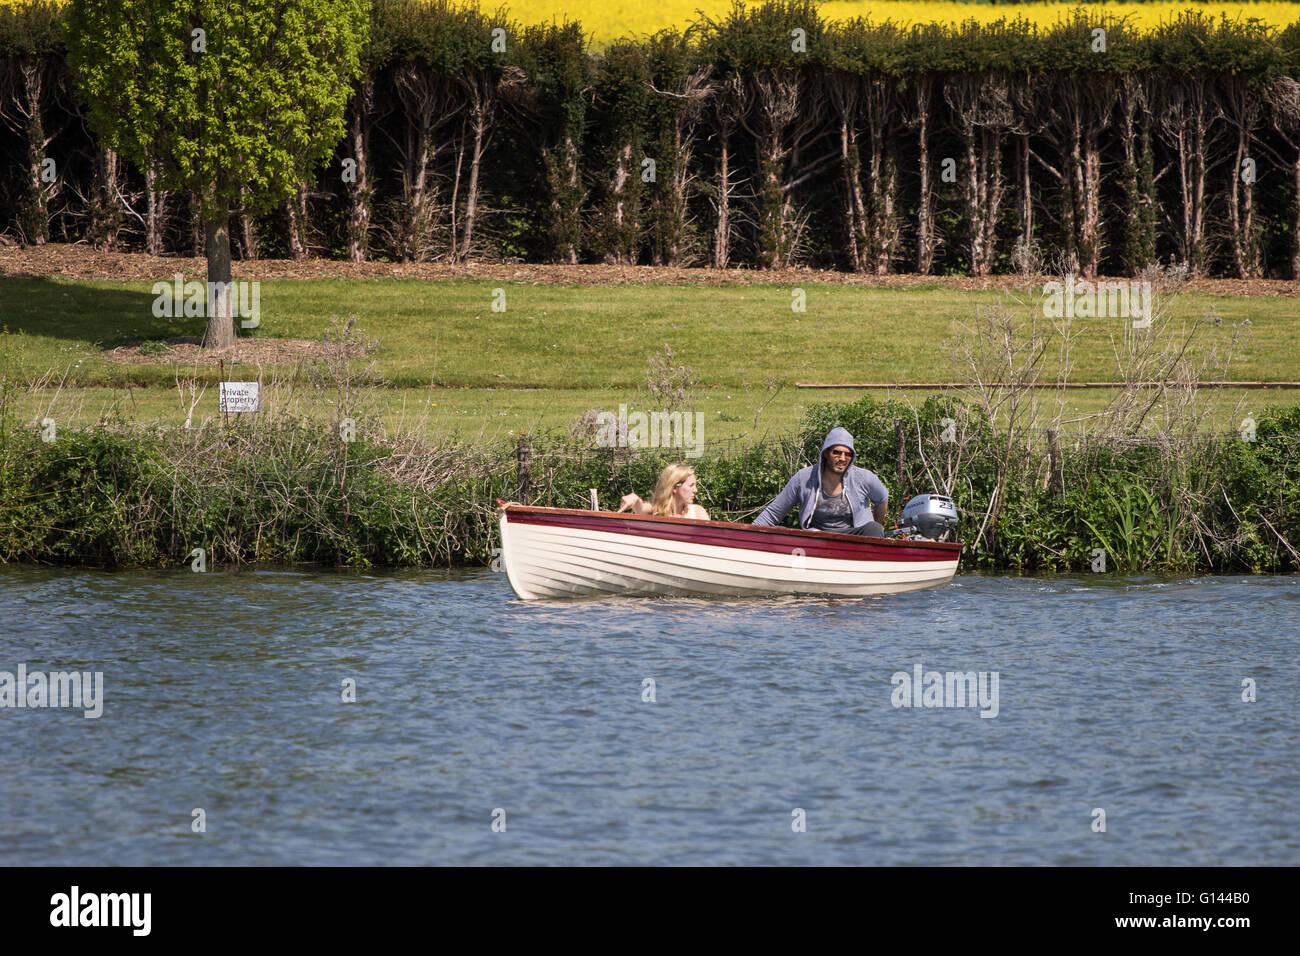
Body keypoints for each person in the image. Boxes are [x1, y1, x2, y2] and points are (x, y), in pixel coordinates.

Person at [752, 426, 887, 536]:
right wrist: (747, 534)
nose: (842, 458)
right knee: (782, 532)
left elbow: (882, 498)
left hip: (853, 536)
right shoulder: (804, 478)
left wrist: (877, 523)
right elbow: (774, 513)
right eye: (837, 452)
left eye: (848, 454)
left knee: (874, 529)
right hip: (818, 537)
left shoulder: (864, 478)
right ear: (826, 453)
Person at [617, 462, 710, 520]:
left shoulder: (698, 512)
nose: (695, 490)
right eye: (691, 485)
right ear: (674, 487)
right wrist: (635, 500)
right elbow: (640, 507)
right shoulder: (653, 511)